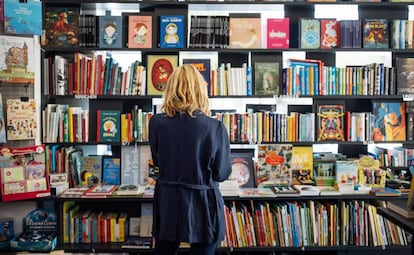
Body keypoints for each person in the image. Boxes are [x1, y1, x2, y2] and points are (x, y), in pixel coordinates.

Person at [149, 64, 232, 255]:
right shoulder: (215, 127)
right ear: (200, 90)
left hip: (168, 201)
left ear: (170, 89)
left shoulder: (156, 123)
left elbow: (158, 162)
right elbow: (221, 173)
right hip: (203, 203)